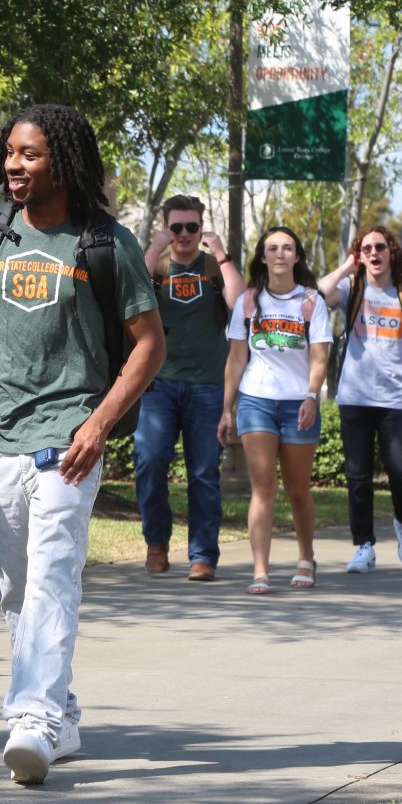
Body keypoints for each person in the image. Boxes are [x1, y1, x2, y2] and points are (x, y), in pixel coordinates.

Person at [0, 104, 164, 785]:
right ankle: (62, 707)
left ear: (62, 160)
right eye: (9, 154)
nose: (13, 165)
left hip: (69, 437)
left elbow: (149, 346)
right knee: (20, 589)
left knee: (54, 573)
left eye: (28, 154)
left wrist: (98, 425)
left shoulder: (102, 243)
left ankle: (32, 719)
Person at [135, 194, 245, 581]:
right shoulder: (159, 264)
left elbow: (240, 302)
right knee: (149, 461)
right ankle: (156, 543)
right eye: (176, 227)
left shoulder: (213, 266)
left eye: (191, 227)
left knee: (202, 473)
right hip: (158, 384)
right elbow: (133, 292)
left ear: (202, 228)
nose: (183, 234)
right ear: (166, 227)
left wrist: (221, 253)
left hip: (208, 387)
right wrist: (154, 246)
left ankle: (203, 555)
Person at [217, 226, 332, 594]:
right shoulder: (249, 302)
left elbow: (319, 357)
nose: (280, 254)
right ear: (262, 257)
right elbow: (236, 359)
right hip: (256, 400)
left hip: (298, 403)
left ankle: (305, 557)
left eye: (287, 248)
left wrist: (312, 396)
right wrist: (226, 408)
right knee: (263, 486)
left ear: (297, 256)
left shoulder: (311, 302)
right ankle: (260, 570)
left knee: (298, 489)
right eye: (272, 248)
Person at [317, 225, 402, 574]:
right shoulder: (352, 287)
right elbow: (319, 292)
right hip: (355, 396)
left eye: (380, 246)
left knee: (400, 470)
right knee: (358, 476)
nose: (373, 253)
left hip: (396, 397)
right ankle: (364, 545)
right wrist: (347, 267)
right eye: (365, 249)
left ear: (392, 251)